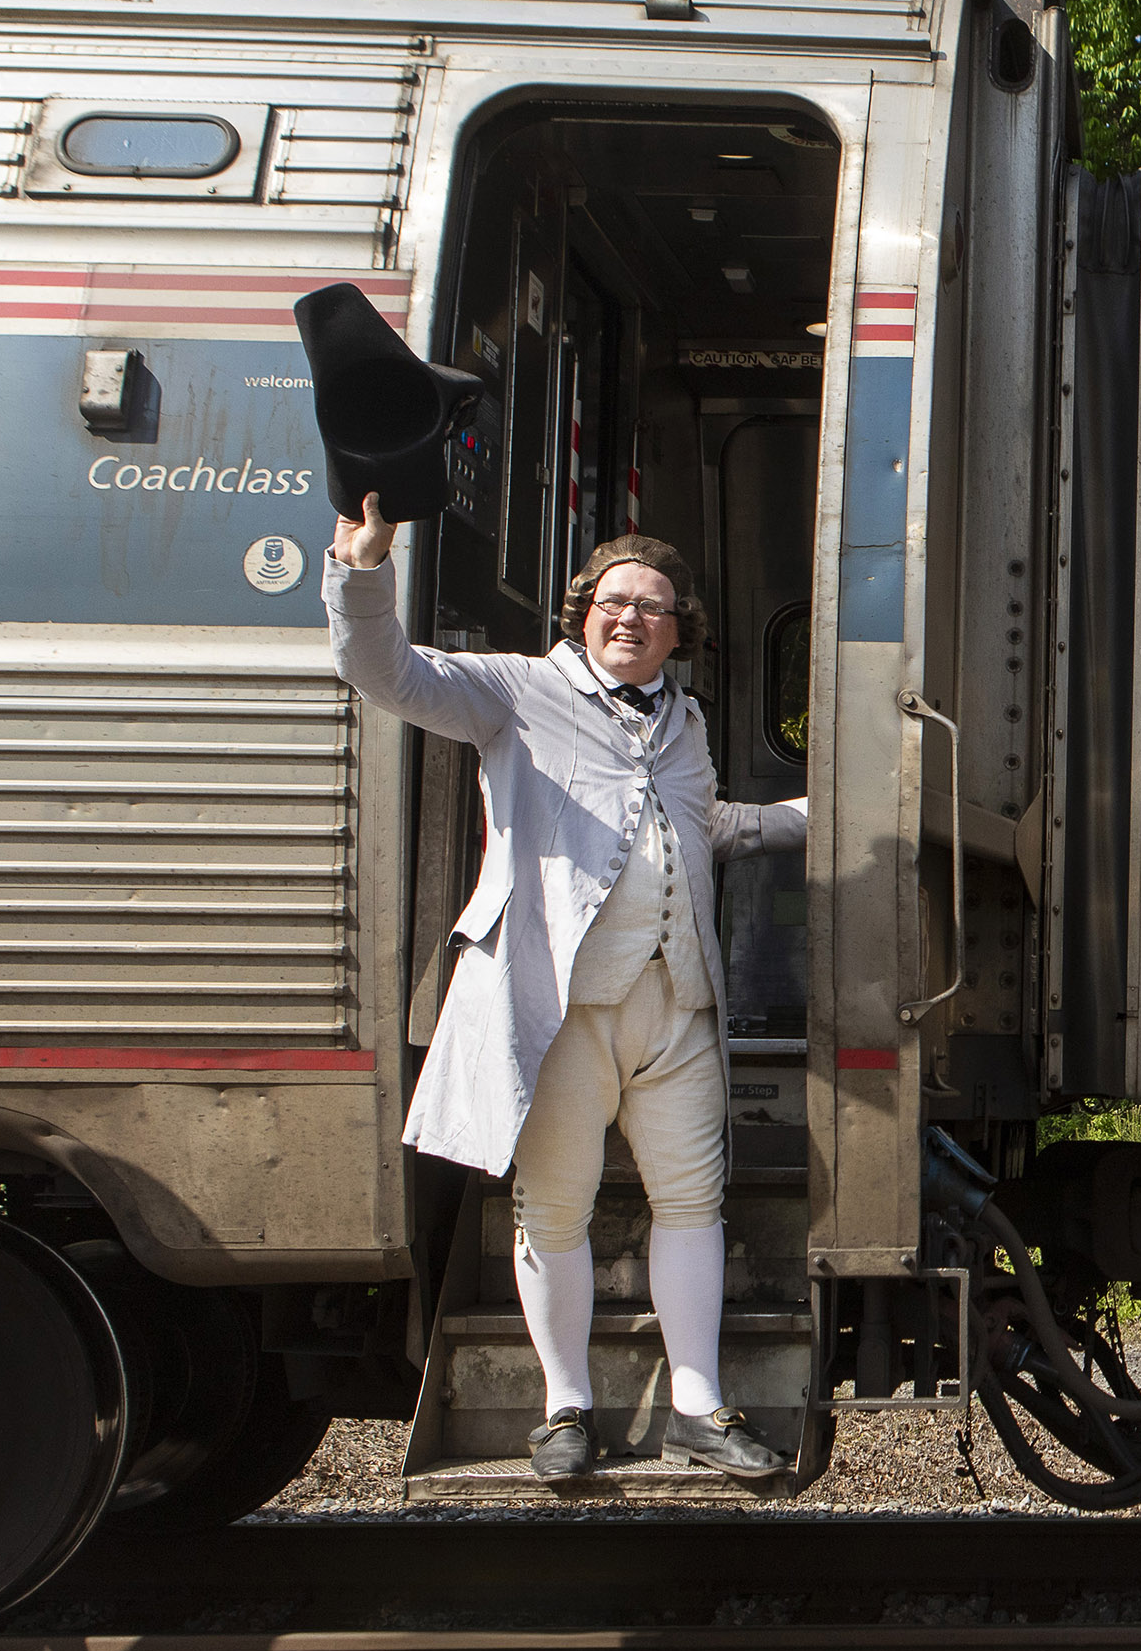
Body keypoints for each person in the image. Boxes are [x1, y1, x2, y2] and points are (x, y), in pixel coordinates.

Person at [325, 493, 807, 1481]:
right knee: (553, 1210)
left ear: (681, 632)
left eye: (654, 607)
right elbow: (386, 673)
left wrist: (827, 813)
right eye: (613, 601)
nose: (631, 618)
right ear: (582, 610)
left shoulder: (687, 721)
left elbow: (706, 831)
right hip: (561, 1012)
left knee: (693, 1203)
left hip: (677, 1007)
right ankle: (566, 1407)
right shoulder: (515, 692)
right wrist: (364, 573)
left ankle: (699, 1406)